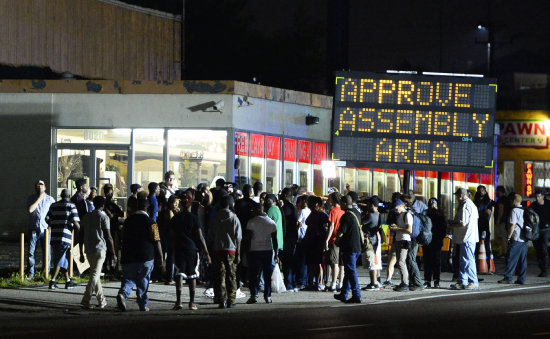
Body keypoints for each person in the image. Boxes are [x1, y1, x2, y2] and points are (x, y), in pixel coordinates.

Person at [117, 192, 164, 312]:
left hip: (128, 255)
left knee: (128, 278)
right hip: (146, 255)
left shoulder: (127, 221)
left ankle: (123, 294)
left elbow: (122, 237)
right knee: (143, 280)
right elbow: (156, 240)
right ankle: (143, 304)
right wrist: (160, 257)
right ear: (147, 208)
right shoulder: (151, 223)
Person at [170, 190, 210, 310]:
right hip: (192, 249)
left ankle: (178, 301)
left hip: (179, 248)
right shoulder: (194, 218)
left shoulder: (175, 219)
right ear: (191, 204)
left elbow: (171, 236)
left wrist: (171, 250)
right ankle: (192, 302)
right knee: (192, 275)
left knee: (179, 274)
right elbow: (200, 236)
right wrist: (206, 252)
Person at [79, 196, 116, 309]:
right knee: (95, 275)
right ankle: (86, 299)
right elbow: (108, 236)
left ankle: (102, 300)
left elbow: (81, 235)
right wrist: (113, 252)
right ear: (103, 205)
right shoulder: (103, 217)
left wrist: (80, 251)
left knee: (95, 275)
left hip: (88, 249)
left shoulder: (86, 216)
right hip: (100, 248)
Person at [208, 194, 242, 308]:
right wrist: (238, 254)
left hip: (218, 250)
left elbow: (211, 236)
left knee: (219, 275)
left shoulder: (215, 218)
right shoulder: (234, 218)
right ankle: (230, 300)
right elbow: (238, 238)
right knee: (231, 276)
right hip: (231, 251)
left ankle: (221, 299)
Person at [46, 189, 80, 290]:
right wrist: (82, 232)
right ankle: (52, 281)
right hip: (65, 236)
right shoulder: (71, 205)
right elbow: (75, 221)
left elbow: (47, 219)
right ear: (69, 195)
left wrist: (55, 225)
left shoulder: (53, 205)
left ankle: (68, 281)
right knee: (60, 258)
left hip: (54, 235)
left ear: (61, 195)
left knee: (61, 258)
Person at [246, 203, 279, 304]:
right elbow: (274, 240)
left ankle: (253, 295)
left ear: (257, 210)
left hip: (254, 250)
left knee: (253, 274)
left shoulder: (251, 222)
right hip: (267, 250)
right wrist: (276, 253)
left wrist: (246, 251)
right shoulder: (271, 222)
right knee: (267, 274)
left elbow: (248, 238)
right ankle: (267, 296)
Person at [333, 195, 362, 303]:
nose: (340, 204)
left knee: (351, 271)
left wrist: (336, 240)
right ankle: (344, 293)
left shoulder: (346, 216)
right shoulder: (357, 213)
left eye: (341, 202)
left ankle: (356, 295)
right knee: (349, 271)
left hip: (349, 247)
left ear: (345, 203)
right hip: (357, 246)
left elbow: (341, 232)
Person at [449, 188, 479, 290]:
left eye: (457, 196)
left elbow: (463, 222)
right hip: (467, 237)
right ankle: (462, 280)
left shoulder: (466, 205)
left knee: (468, 259)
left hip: (467, 237)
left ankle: (473, 281)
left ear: (461, 195)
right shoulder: (471, 205)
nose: (456, 198)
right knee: (464, 260)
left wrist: (451, 223)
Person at [26, 180, 56, 279]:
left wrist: (50, 226)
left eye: (42, 185)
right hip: (33, 228)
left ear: (45, 187)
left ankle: (45, 273)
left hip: (45, 230)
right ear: (35, 187)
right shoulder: (31, 198)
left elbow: (53, 215)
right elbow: (30, 210)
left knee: (46, 253)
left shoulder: (50, 199)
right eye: (38, 185)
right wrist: (39, 198)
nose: (40, 187)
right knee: (31, 252)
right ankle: (31, 273)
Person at [499, 194, 529, 285]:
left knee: (511, 258)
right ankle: (522, 279)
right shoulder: (525, 210)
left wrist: (508, 236)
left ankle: (508, 277)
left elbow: (512, 225)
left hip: (516, 238)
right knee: (523, 260)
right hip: (525, 239)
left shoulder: (514, 211)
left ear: (514, 201)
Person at [304, 195, 328, 290]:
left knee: (316, 263)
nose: (308, 204)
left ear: (316, 204)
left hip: (316, 241)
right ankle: (312, 282)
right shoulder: (315, 213)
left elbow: (327, 225)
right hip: (312, 241)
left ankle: (317, 282)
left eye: (310, 202)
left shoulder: (321, 214)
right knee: (312, 262)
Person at [389, 199, 412, 292]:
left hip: (404, 240)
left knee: (401, 262)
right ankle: (403, 282)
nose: (395, 210)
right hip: (399, 239)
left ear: (401, 206)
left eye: (396, 208)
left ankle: (405, 283)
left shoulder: (407, 215)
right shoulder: (400, 215)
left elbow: (409, 230)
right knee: (399, 262)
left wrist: (397, 228)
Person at [424, 198, 447, 288]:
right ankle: (428, 280)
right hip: (429, 240)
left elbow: (443, 228)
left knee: (436, 261)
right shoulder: (426, 214)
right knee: (428, 261)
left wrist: (441, 237)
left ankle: (436, 280)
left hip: (436, 240)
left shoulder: (439, 215)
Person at [361, 197, 383, 291]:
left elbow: (361, 223)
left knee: (371, 261)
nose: (367, 206)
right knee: (375, 260)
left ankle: (373, 283)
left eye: (369, 204)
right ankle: (376, 281)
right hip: (376, 239)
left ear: (373, 205)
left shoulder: (370, 216)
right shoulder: (379, 214)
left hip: (370, 240)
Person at [324, 192, 345, 292]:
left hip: (334, 239)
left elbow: (331, 226)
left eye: (329, 199)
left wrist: (327, 240)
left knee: (334, 262)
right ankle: (340, 283)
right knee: (342, 263)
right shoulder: (343, 211)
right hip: (342, 239)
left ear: (332, 200)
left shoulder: (333, 211)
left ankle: (333, 284)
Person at [403, 194, 424, 291]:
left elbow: (411, 229)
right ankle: (413, 282)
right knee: (409, 260)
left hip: (413, 239)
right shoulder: (413, 211)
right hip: (414, 238)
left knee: (411, 260)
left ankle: (418, 283)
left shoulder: (409, 213)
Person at [280, 187, 299, 292]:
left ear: (286, 196)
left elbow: (284, 223)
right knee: (291, 261)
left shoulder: (286, 208)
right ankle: (293, 283)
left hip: (287, 237)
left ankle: (289, 284)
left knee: (287, 261)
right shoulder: (293, 207)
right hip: (293, 236)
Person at [474, 185, 494, 270]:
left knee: (486, 245)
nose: (480, 192)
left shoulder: (488, 202)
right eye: (479, 190)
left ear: (485, 192)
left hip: (485, 225)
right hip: (476, 225)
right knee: (476, 246)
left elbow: (487, 213)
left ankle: (488, 265)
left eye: (482, 190)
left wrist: (478, 214)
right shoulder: (475, 202)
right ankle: (475, 265)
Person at [531, 190, 550, 277]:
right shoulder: (534, 205)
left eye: (538, 197)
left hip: (546, 229)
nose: (537, 198)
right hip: (536, 230)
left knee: (543, 248)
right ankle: (542, 268)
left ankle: (545, 268)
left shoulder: (548, 204)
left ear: (542, 196)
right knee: (538, 250)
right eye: (536, 197)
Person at [295, 195, 311, 289]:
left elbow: (297, 222)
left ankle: (301, 281)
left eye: (300, 201)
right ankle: (306, 280)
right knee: (305, 261)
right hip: (307, 236)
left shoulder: (302, 211)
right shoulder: (309, 211)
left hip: (301, 237)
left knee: (301, 261)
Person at [494, 186, 511, 257]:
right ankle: (504, 252)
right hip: (505, 221)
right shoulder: (506, 199)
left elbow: (501, 209)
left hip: (501, 222)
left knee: (503, 238)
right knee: (503, 238)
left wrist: (498, 220)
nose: (495, 193)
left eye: (496, 191)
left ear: (499, 191)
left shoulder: (501, 200)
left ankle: (504, 253)